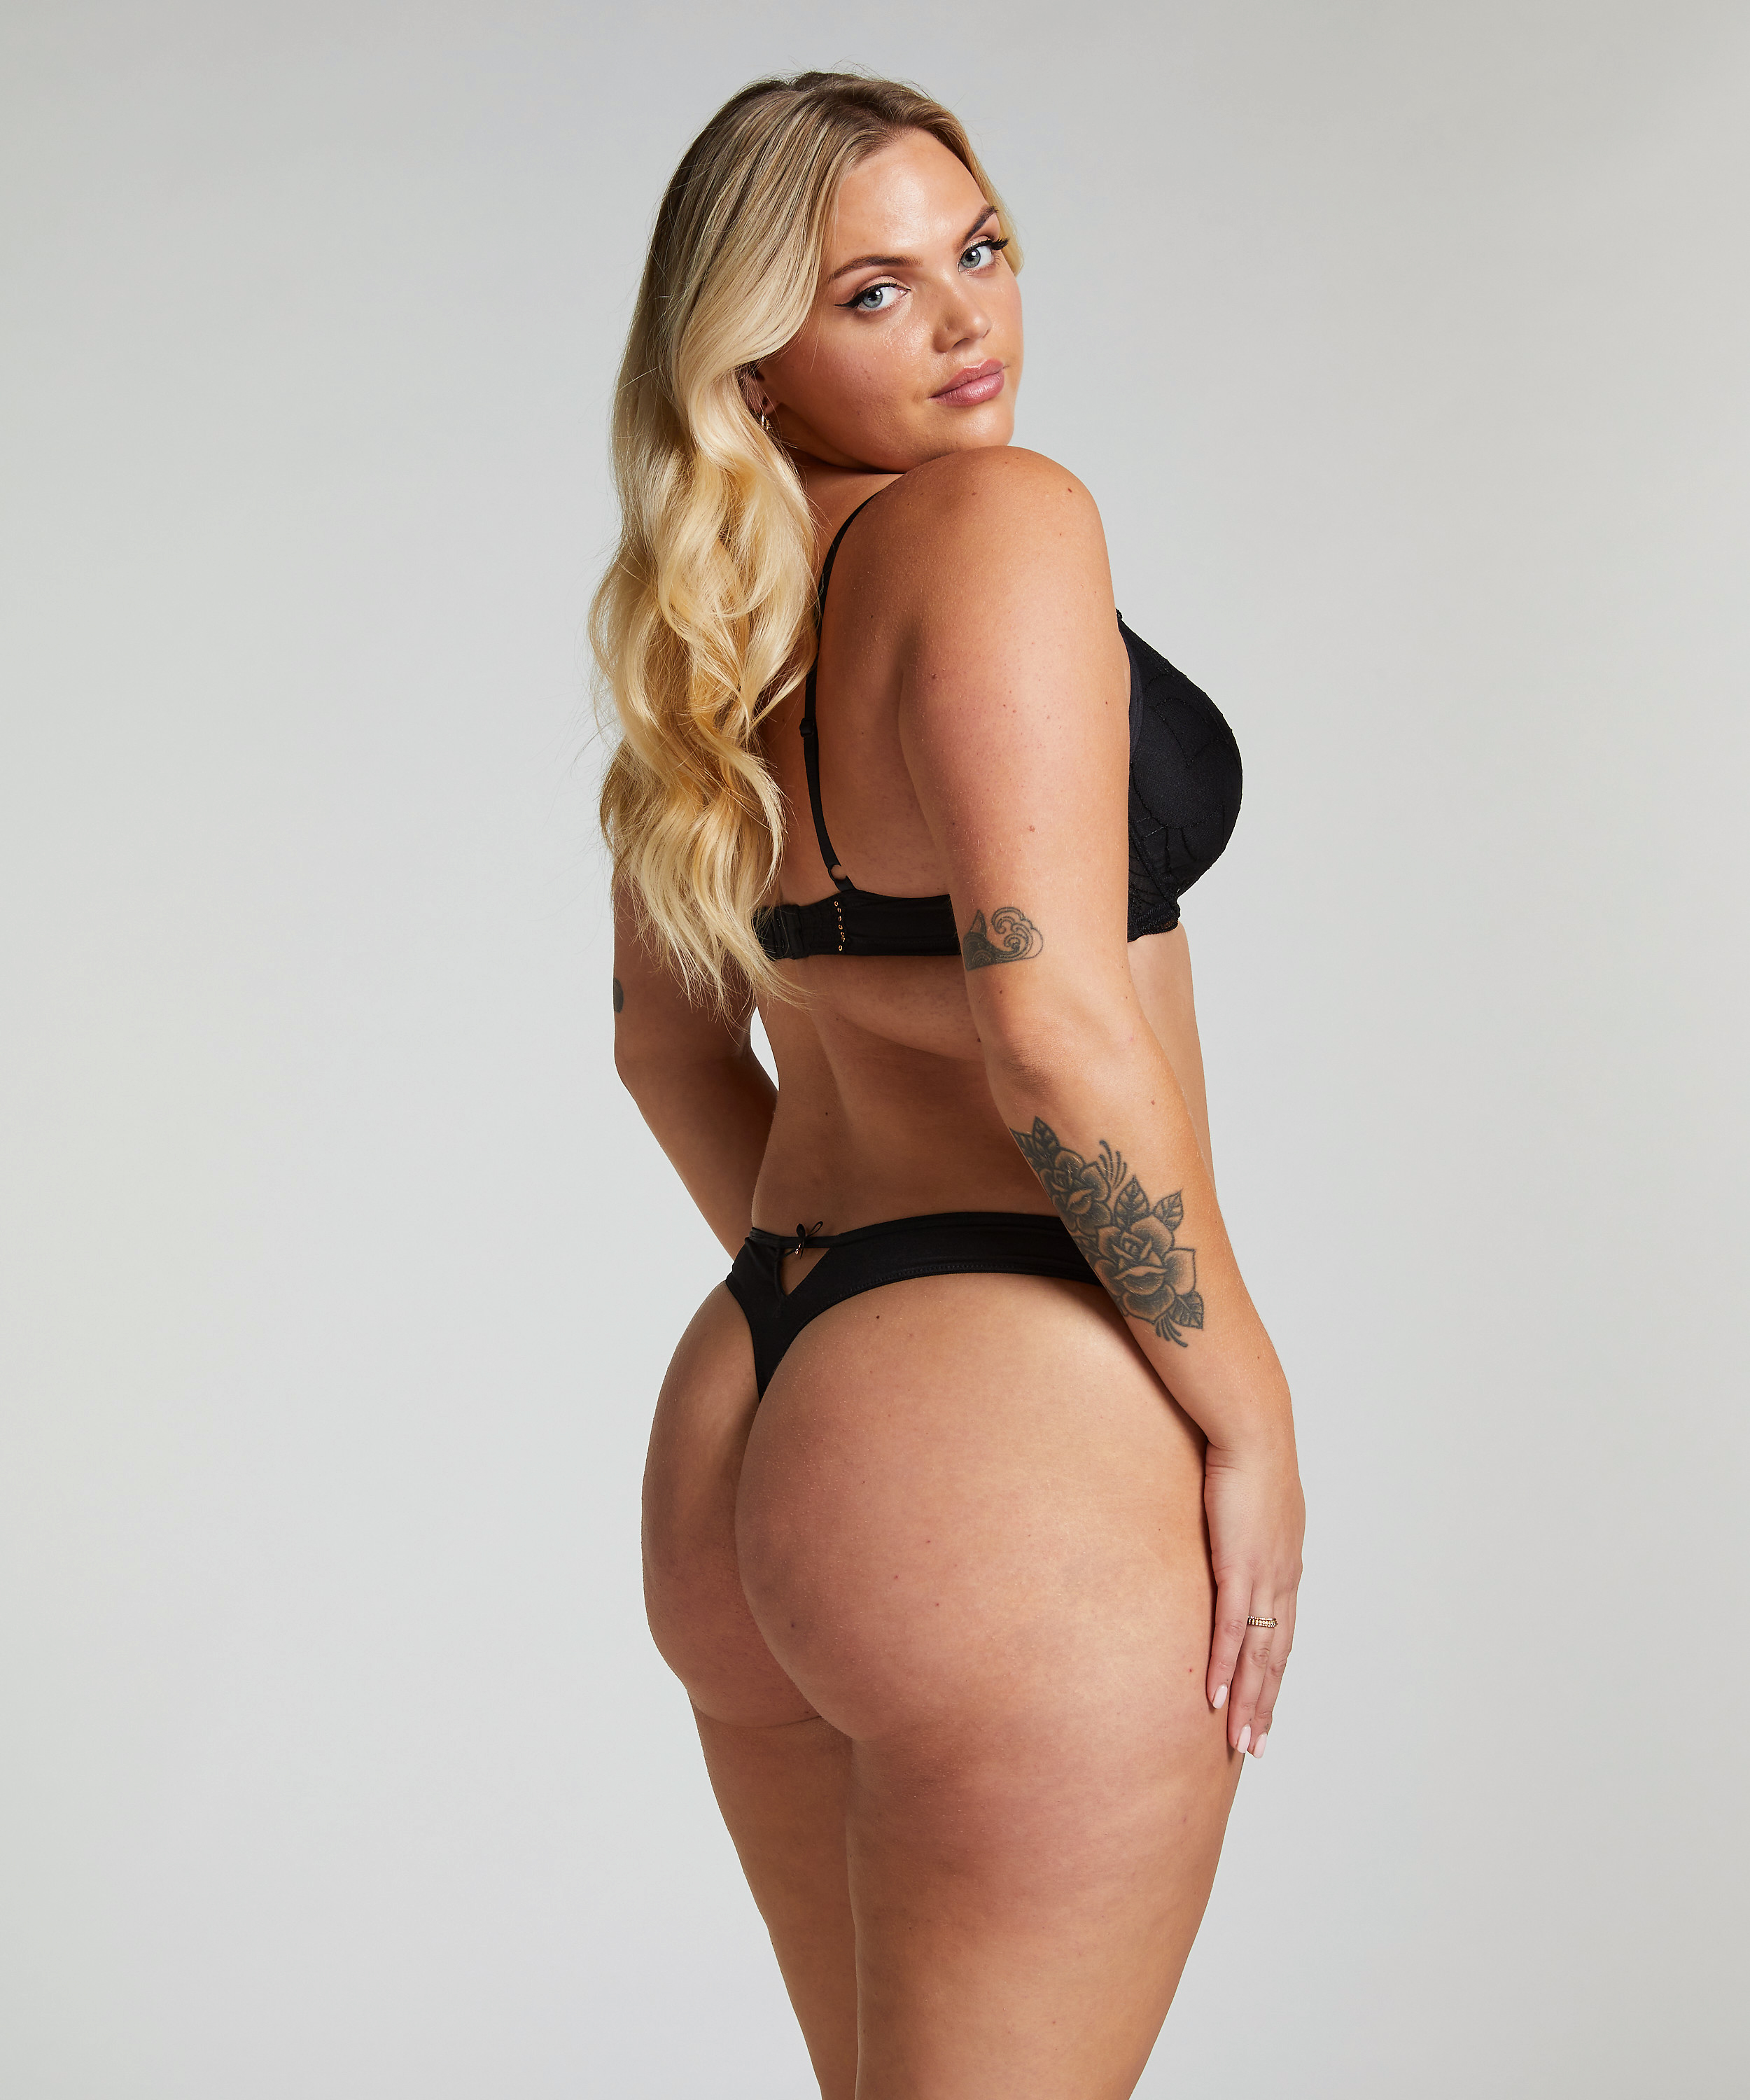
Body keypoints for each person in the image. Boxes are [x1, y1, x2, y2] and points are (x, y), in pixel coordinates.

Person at [595, 69, 1304, 2100]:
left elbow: (663, 1041)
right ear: (752, 349)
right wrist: (1245, 1410)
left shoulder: (710, 614)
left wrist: (848, 1338)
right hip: (997, 1442)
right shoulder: (1001, 523)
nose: (967, 318)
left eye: (977, 249)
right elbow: (1049, 1030)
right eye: (874, 291)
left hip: (757, 1393)